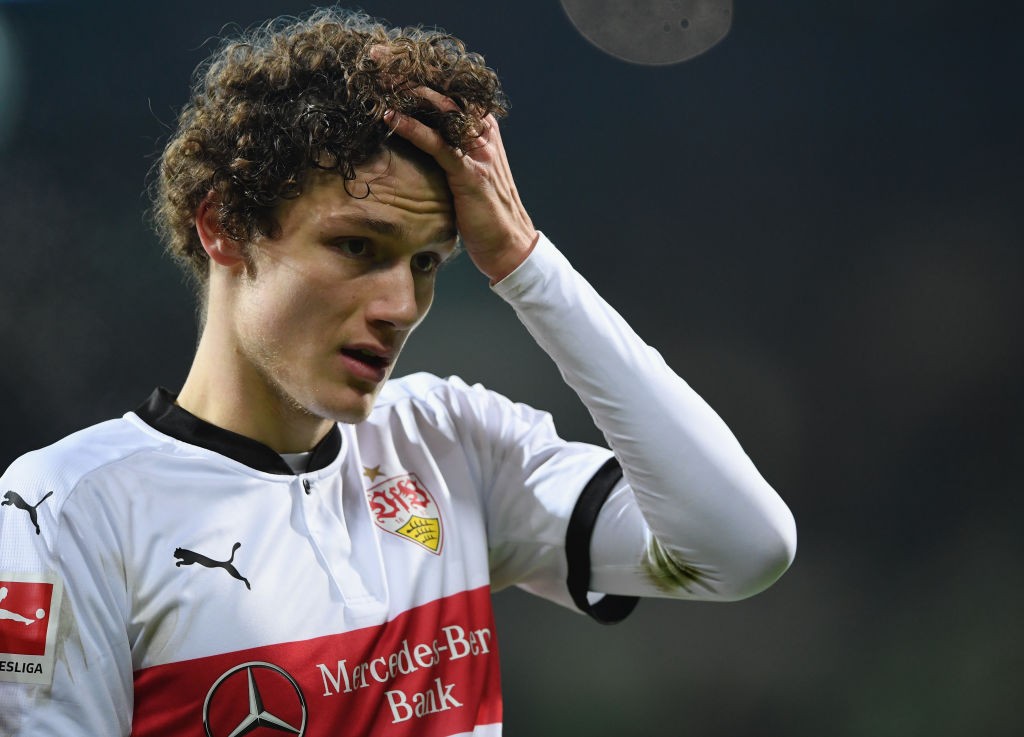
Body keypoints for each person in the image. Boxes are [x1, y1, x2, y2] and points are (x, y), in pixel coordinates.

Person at [0, 8, 796, 736]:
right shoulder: (64, 508)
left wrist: (525, 264)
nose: (401, 306)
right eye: (358, 246)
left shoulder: (451, 441)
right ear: (225, 226)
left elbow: (744, 546)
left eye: (425, 263)